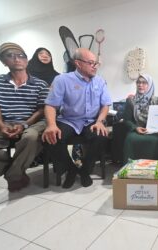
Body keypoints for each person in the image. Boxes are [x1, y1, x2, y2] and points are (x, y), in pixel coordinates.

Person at [42, 48, 112, 188]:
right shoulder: (62, 80)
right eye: (91, 63)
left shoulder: (100, 81)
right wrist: (51, 125)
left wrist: (99, 121)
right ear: (78, 63)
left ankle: (85, 171)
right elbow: (50, 105)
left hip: (91, 121)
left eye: (96, 63)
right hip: (69, 120)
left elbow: (105, 105)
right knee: (52, 139)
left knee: (101, 136)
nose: (95, 66)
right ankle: (72, 169)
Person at [0, 42, 49, 192]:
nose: (17, 59)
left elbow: (42, 110)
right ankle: (15, 173)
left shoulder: (40, 84)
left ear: (26, 60)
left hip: (32, 122)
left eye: (21, 56)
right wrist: (1, 126)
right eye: (10, 56)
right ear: (3, 61)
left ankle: (13, 176)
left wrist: (24, 124)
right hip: (5, 122)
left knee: (31, 138)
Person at [123, 74, 158, 163]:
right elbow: (127, 119)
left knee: (156, 141)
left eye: (144, 83)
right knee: (130, 139)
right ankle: (130, 168)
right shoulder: (131, 100)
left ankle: (152, 168)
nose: (140, 85)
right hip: (136, 130)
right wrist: (136, 128)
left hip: (153, 131)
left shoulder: (156, 100)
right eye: (138, 82)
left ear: (150, 85)